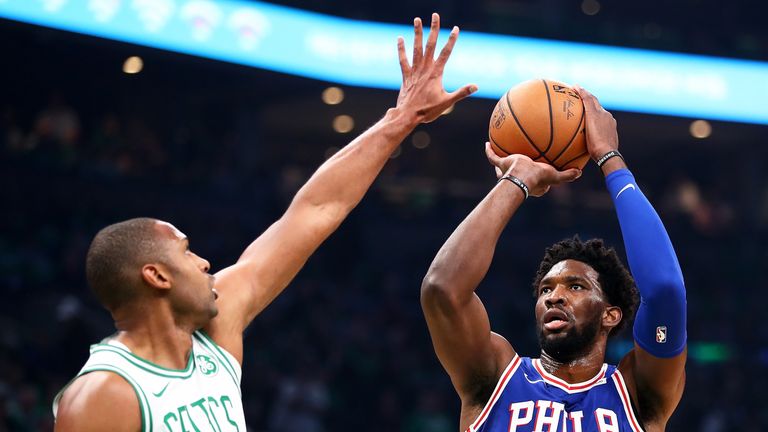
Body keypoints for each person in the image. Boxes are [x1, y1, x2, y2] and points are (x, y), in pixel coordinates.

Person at [53, 13, 477, 432]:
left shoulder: (217, 326)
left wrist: (402, 120)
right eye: (186, 251)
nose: (204, 263)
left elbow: (313, 211)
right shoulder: (103, 395)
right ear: (157, 276)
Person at [420, 86, 686, 432]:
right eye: (545, 290)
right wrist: (518, 180)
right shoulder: (494, 376)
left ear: (611, 314)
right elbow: (442, 289)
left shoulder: (637, 393)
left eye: (575, 286)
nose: (554, 297)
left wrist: (609, 158)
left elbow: (665, 290)